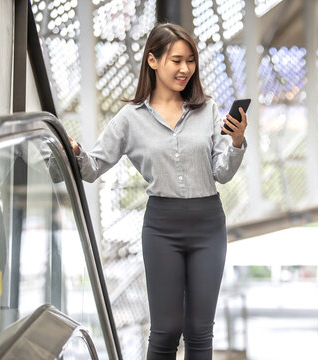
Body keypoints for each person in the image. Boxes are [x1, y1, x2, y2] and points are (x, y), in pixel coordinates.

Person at [69, 22, 247, 360]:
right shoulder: (129, 119)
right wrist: (74, 151)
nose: (185, 69)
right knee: (165, 330)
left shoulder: (206, 110)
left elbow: (222, 172)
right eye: (176, 60)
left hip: (208, 225)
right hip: (162, 227)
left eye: (190, 61)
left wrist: (236, 142)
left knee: (199, 331)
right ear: (152, 61)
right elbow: (91, 169)